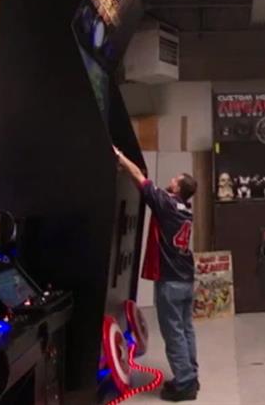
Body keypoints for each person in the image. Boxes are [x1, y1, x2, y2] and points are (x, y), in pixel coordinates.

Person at [114, 146, 200, 402]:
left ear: (177, 188)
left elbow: (140, 179)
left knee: (173, 333)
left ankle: (184, 384)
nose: (170, 180)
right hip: (186, 279)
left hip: (170, 281)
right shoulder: (185, 209)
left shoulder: (167, 205)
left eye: (175, 179)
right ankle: (190, 375)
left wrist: (120, 157)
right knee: (186, 329)